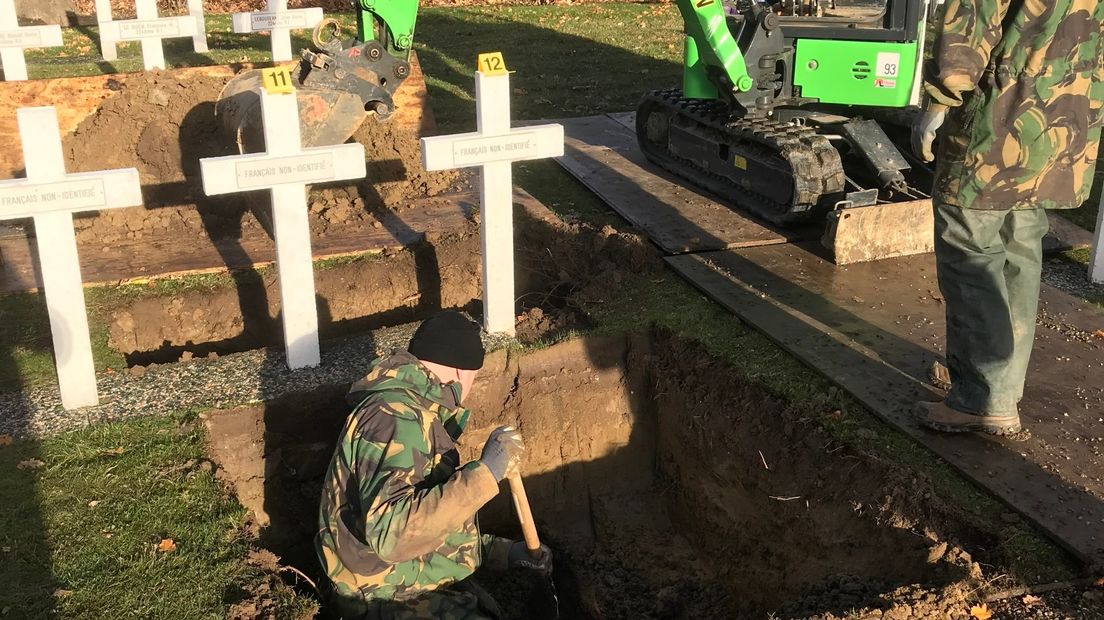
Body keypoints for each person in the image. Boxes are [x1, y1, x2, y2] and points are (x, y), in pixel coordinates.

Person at [911, 1, 1104, 435]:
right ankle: (999, 384)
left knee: (970, 248)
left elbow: (972, 20)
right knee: (1021, 243)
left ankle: (982, 399)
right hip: (1065, 116)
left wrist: (939, 103)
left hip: (1000, 120)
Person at [316, 311, 552, 619]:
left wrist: (504, 552)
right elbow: (393, 536)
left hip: (395, 582)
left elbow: (428, 524)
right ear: (460, 371)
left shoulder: (409, 410)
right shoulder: (395, 418)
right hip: (379, 600)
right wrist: (485, 475)